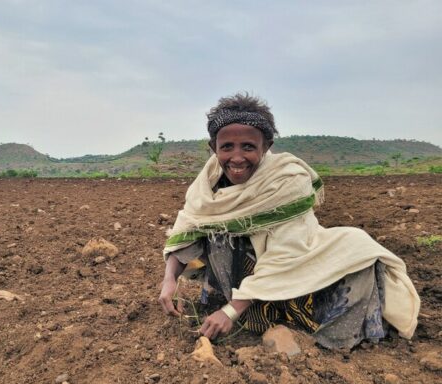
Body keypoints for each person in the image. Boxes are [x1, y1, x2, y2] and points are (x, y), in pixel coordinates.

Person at [158, 92, 420, 349]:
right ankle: (244, 310)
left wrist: (229, 312)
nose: (237, 158)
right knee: (217, 236)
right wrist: (170, 278)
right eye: (227, 147)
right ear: (213, 148)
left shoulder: (286, 181)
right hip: (240, 283)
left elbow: (285, 254)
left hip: (290, 269)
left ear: (267, 146)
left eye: (248, 147)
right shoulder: (207, 184)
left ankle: (292, 325)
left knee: (358, 252)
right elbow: (189, 227)